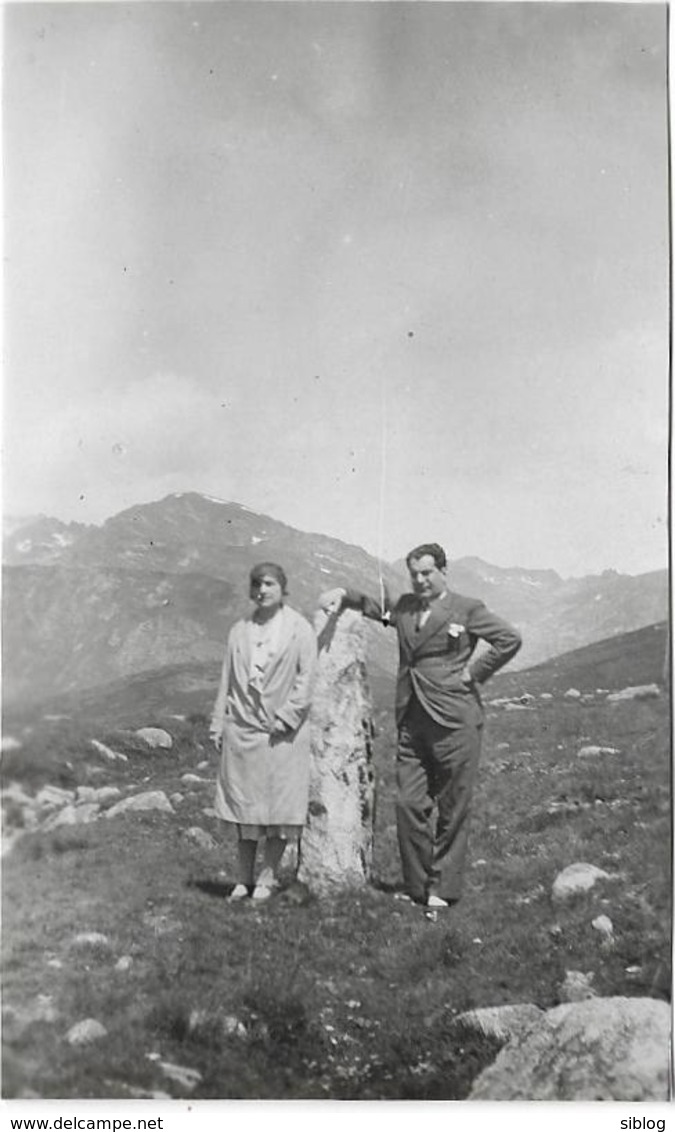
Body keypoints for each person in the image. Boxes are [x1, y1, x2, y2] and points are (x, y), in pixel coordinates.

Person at [321, 544, 521, 909]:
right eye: (414, 574)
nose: (420, 580)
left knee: (452, 806)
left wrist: (474, 673)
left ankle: (443, 889)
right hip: (412, 718)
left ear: (444, 570)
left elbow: (509, 639)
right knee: (409, 804)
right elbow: (373, 606)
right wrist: (344, 595)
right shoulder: (406, 608)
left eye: (427, 573)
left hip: (455, 720)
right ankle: (417, 886)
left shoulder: (467, 608)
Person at [210, 562, 317, 902]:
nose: (262, 590)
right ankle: (243, 878)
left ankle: (267, 878)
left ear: (282, 588)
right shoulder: (239, 630)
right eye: (256, 583)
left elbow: (306, 680)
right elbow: (227, 678)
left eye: (269, 583)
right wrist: (218, 722)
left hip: (282, 734)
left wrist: (286, 717)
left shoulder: (299, 629)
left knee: (278, 810)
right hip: (243, 731)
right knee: (244, 810)